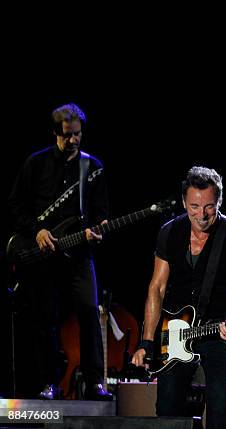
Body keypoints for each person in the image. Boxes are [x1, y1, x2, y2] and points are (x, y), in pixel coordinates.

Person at [132, 166, 226, 427]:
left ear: (219, 202)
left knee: (223, 401)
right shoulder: (170, 232)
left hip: (217, 330)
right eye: (194, 206)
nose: (201, 214)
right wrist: (147, 341)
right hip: (175, 332)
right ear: (183, 202)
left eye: (209, 206)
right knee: (167, 406)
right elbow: (157, 288)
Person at [7, 103, 112, 400]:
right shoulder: (35, 164)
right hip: (44, 256)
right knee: (45, 320)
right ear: (55, 133)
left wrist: (98, 229)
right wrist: (36, 230)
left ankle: (94, 384)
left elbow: (102, 212)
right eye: (68, 135)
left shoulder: (93, 167)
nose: (74, 141)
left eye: (78, 135)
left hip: (79, 254)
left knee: (90, 313)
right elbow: (15, 207)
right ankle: (48, 384)